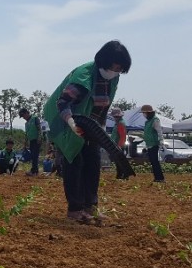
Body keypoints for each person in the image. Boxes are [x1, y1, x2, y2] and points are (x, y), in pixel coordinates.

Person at [43, 40, 132, 224]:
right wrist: (71, 123)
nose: (116, 72)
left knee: (93, 160)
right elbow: (63, 103)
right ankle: (75, 209)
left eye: (120, 70)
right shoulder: (83, 75)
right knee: (75, 160)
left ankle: (90, 207)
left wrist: (99, 130)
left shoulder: (112, 78)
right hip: (64, 118)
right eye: (115, 67)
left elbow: (103, 106)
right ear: (105, 61)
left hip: (90, 122)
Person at [140, 105, 165, 183]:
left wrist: (161, 141)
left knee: (155, 161)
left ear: (148, 113)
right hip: (149, 144)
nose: (143, 114)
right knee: (152, 161)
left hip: (154, 144)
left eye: (144, 113)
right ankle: (157, 177)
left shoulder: (155, 120)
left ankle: (160, 178)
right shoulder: (148, 122)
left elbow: (159, 131)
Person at [20, 108, 43, 176]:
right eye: (22, 117)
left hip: (37, 140)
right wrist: (25, 143)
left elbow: (39, 129)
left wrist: (39, 137)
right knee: (33, 156)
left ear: (27, 113)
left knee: (35, 155)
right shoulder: (26, 123)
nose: (23, 117)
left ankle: (34, 171)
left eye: (23, 115)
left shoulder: (35, 118)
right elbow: (26, 134)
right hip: (31, 141)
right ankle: (34, 170)